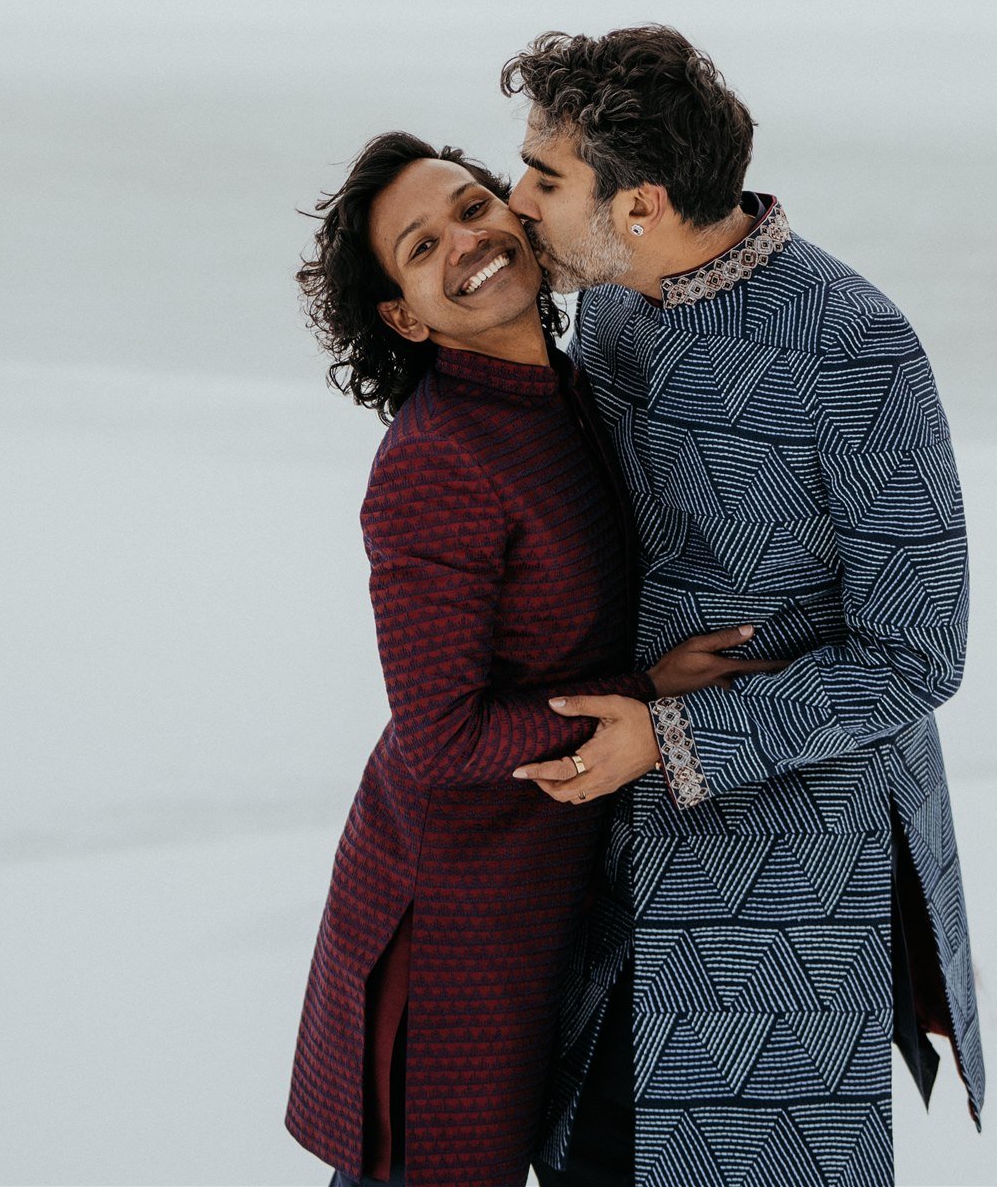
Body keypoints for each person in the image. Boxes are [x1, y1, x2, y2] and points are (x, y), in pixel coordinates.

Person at [503, 27, 986, 1187]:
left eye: (545, 176)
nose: (512, 199)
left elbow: (917, 651)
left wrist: (673, 740)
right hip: (601, 847)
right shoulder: (612, 305)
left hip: (781, 889)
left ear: (643, 203)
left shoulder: (857, 349)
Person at [284, 131, 757, 1187]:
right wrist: (651, 692)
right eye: (421, 245)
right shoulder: (436, 461)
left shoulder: (572, 386)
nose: (468, 238)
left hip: (546, 897)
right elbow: (439, 734)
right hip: (453, 918)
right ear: (404, 316)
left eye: (470, 203)